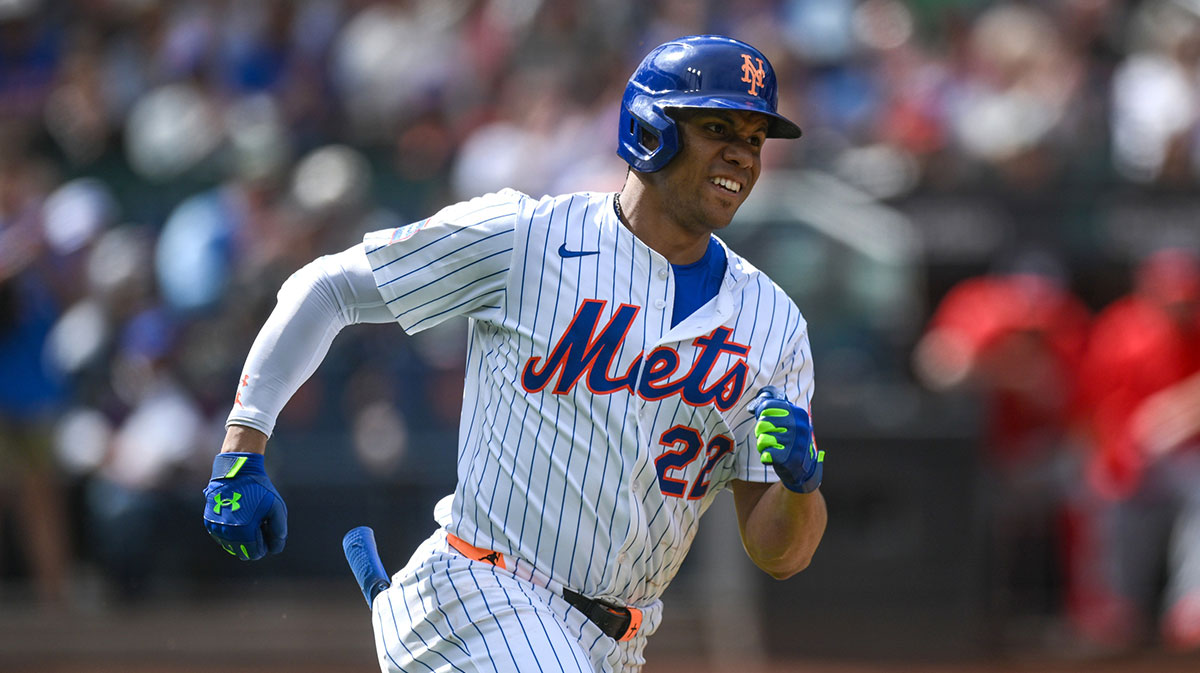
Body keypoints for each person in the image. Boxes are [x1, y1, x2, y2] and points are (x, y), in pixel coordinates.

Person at [201, 35, 827, 672]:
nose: (740, 155)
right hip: (483, 595)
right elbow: (327, 286)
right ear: (651, 129)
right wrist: (240, 448)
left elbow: (782, 555)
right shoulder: (527, 237)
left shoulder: (773, 322)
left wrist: (802, 485)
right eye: (718, 127)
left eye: (754, 138)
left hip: (618, 640)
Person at [1071, 247, 1200, 651]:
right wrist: (1116, 452)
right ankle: (1117, 606)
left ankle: (1191, 607)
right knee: (1107, 497)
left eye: (1187, 301)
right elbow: (1092, 407)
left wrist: (1181, 409)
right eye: (1170, 300)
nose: (1179, 310)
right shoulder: (1119, 328)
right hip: (1129, 450)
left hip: (1189, 455)